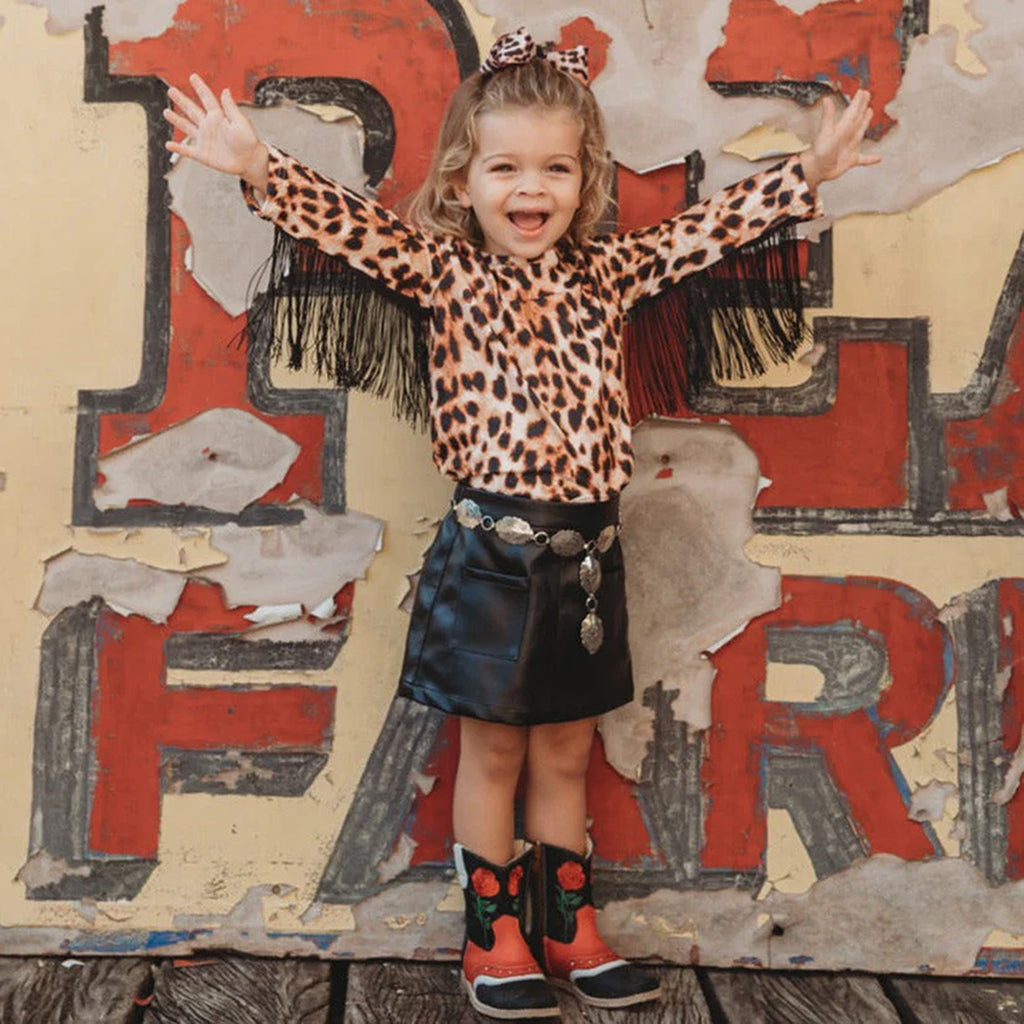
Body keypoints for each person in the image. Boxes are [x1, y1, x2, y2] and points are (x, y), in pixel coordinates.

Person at [165, 27, 878, 1020]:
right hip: (490, 560)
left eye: (554, 167)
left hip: (588, 562)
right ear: (463, 178)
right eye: (505, 167)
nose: (529, 189)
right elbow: (345, 225)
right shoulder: (440, 271)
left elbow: (703, 232)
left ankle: (566, 927)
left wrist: (808, 172)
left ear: (584, 180)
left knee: (565, 751)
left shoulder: (608, 274)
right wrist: (255, 164)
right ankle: (490, 936)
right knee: (493, 753)